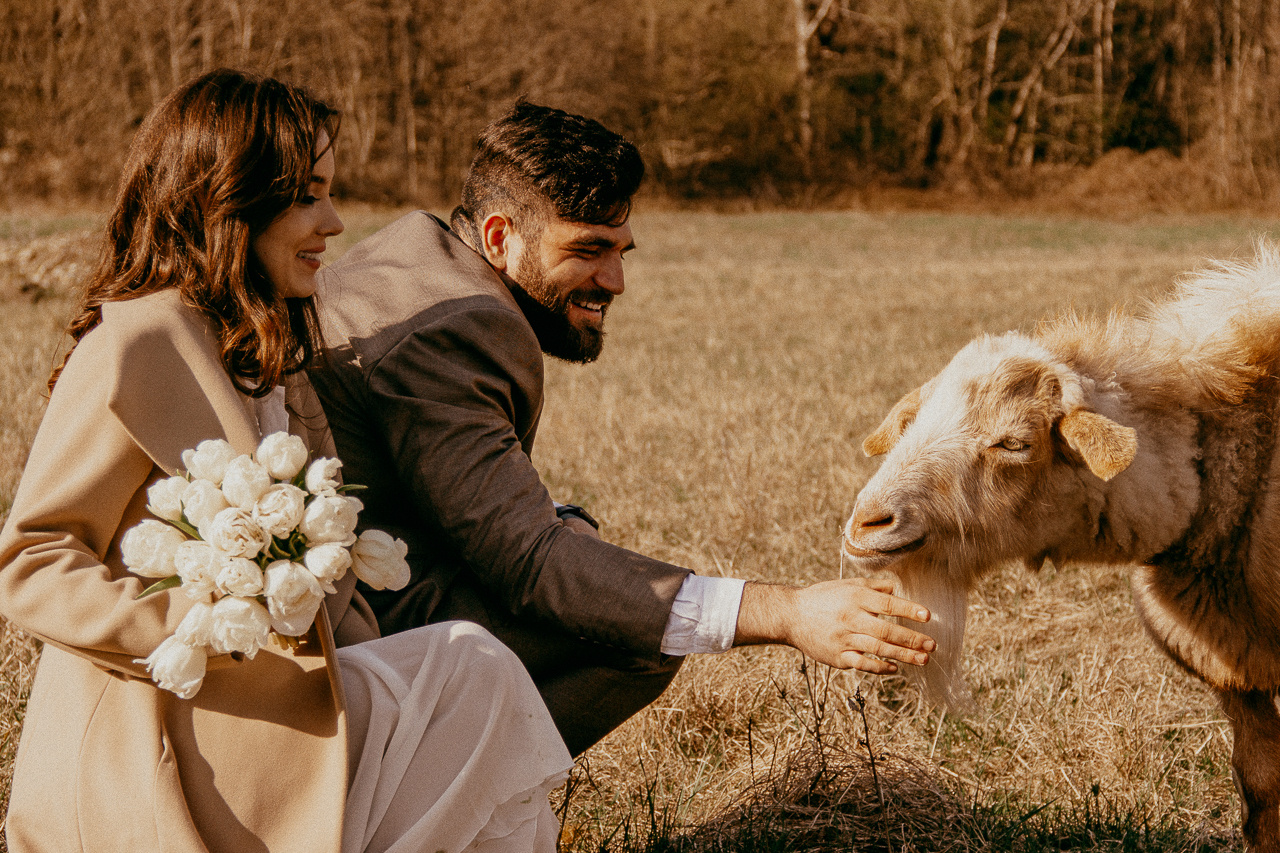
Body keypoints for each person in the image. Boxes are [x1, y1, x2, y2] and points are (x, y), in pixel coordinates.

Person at [0, 70, 571, 853]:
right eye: (307, 196)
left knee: (471, 681)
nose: (334, 222)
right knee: (474, 668)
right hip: (171, 735)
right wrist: (195, 627)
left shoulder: (266, 354)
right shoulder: (136, 340)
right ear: (230, 201)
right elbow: (30, 560)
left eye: (329, 193)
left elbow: (320, 579)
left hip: (283, 715)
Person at [309, 101, 937, 757]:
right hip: (346, 632)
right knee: (631, 632)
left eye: (620, 250)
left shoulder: (410, 251)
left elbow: (458, 491)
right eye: (587, 250)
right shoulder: (457, 329)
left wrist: (558, 518)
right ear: (499, 237)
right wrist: (788, 613)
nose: (614, 280)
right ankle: (437, 813)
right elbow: (529, 562)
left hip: (350, 581)